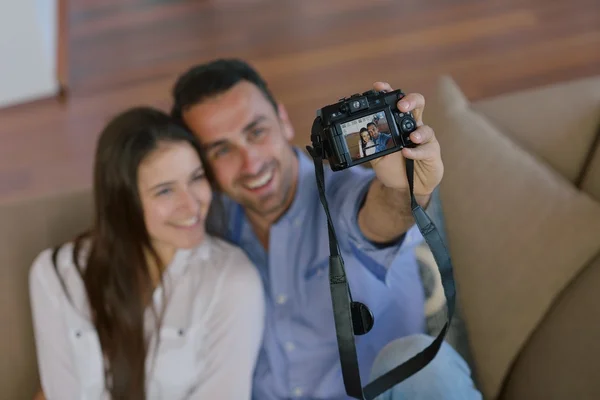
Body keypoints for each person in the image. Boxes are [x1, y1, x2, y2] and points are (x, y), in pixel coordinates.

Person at [170, 58, 482, 399]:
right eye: (221, 150)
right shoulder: (203, 228)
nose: (250, 163)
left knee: (419, 362)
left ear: (283, 120)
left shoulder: (344, 193)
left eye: (256, 132)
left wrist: (408, 190)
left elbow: (380, 219)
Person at [28, 107, 265, 400]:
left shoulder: (233, 282)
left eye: (196, 178)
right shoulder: (56, 275)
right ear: (123, 201)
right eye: (165, 191)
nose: (192, 206)